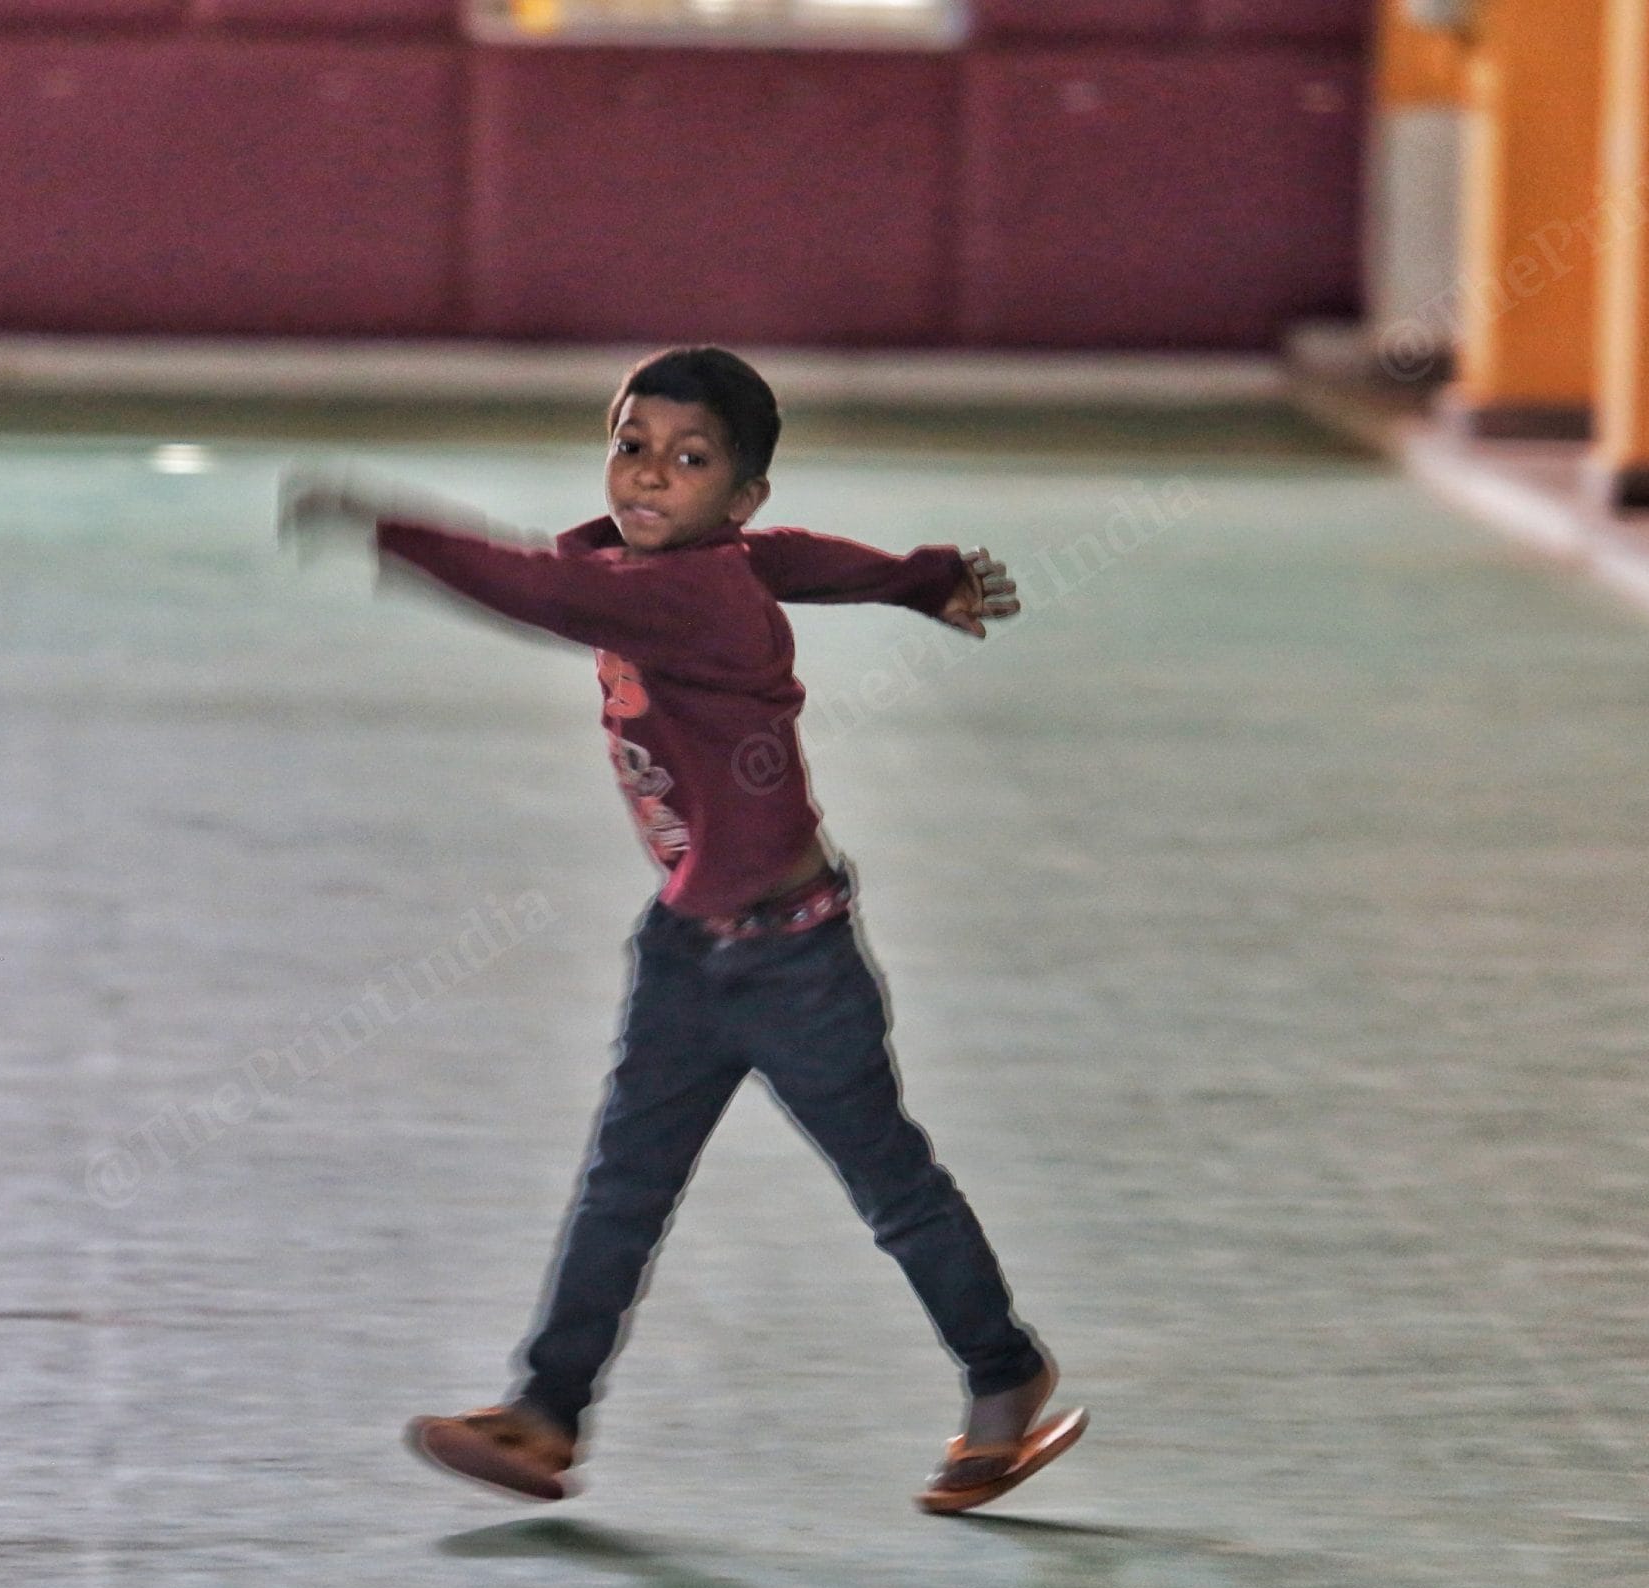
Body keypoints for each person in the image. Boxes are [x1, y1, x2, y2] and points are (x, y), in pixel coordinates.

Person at [279, 346, 1082, 1515]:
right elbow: (796, 557)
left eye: (689, 460)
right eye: (631, 445)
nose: (648, 476)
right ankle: (546, 1416)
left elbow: (542, 592)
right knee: (623, 1186)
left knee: (891, 1187)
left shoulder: (682, 593)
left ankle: (1005, 1373)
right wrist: (915, 578)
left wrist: (387, 528)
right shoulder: (718, 557)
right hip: (687, 952)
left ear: (738, 493)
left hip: (795, 960)